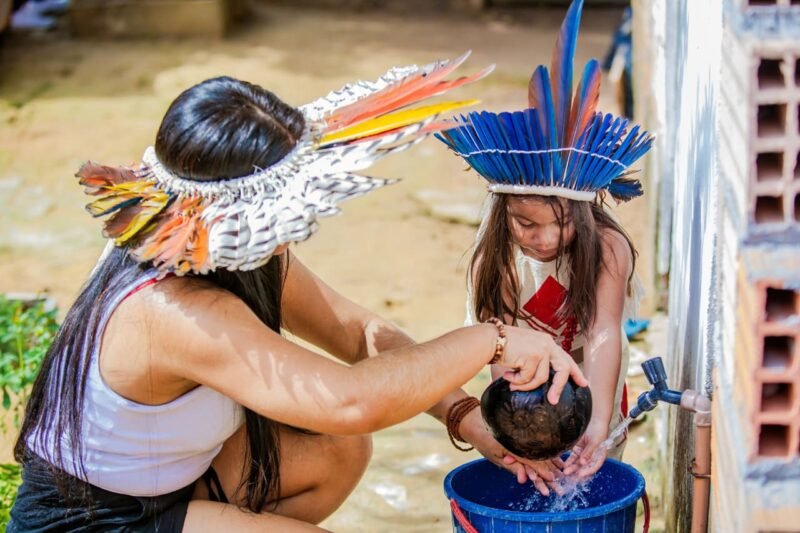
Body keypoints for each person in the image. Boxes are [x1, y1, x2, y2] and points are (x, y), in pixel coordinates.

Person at [8, 54, 587, 532]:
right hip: (90, 520)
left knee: (338, 450)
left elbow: (354, 332)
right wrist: (494, 339)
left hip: (169, 477)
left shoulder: (221, 247)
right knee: (341, 436)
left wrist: (465, 416)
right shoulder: (173, 309)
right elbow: (347, 398)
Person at [436, 0, 653, 494]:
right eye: (524, 223)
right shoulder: (496, 260)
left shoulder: (608, 248)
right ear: (501, 216)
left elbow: (602, 332)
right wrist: (520, 431)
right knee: (529, 477)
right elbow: (499, 349)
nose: (544, 239)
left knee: (585, 480)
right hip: (525, 398)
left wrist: (595, 423)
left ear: (582, 214)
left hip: (594, 387)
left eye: (559, 226)